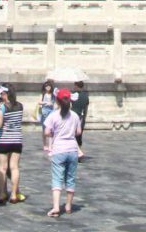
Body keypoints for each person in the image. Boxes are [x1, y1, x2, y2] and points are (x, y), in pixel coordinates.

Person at [43, 87, 81, 217]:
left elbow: (47, 132)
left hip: (59, 149)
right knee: (70, 179)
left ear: (57, 101)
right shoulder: (75, 115)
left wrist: (54, 132)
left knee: (57, 179)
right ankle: (69, 205)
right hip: (72, 149)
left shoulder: (53, 115)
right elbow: (78, 132)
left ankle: (56, 207)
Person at [0, 85, 24, 204]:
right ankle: (14, 194)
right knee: (14, 168)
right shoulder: (20, 106)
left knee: (2, 169)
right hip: (17, 140)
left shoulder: (3, 107)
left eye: (2, 94)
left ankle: (2, 194)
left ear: (6, 94)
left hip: (4, 140)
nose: (1, 96)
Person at [71, 81, 89, 159]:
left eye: (74, 85)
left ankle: (76, 152)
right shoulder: (86, 96)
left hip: (74, 116)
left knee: (72, 135)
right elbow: (86, 108)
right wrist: (84, 117)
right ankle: (79, 151)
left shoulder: (74, 95)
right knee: (79, 135)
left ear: (76, 86)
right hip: (82, 117)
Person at [37, 81, 55, 146]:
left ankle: (50, 145)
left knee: (51, 128)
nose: (48, 88)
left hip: (51, 111)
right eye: (46, 86)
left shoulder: (53, 95)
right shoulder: (43, 94)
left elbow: (55, 102)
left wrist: (51, 103)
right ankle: (45, 144)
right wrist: (45, 102)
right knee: (44, 128)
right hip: (44, 112)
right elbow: (39, 102)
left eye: (49, 86)